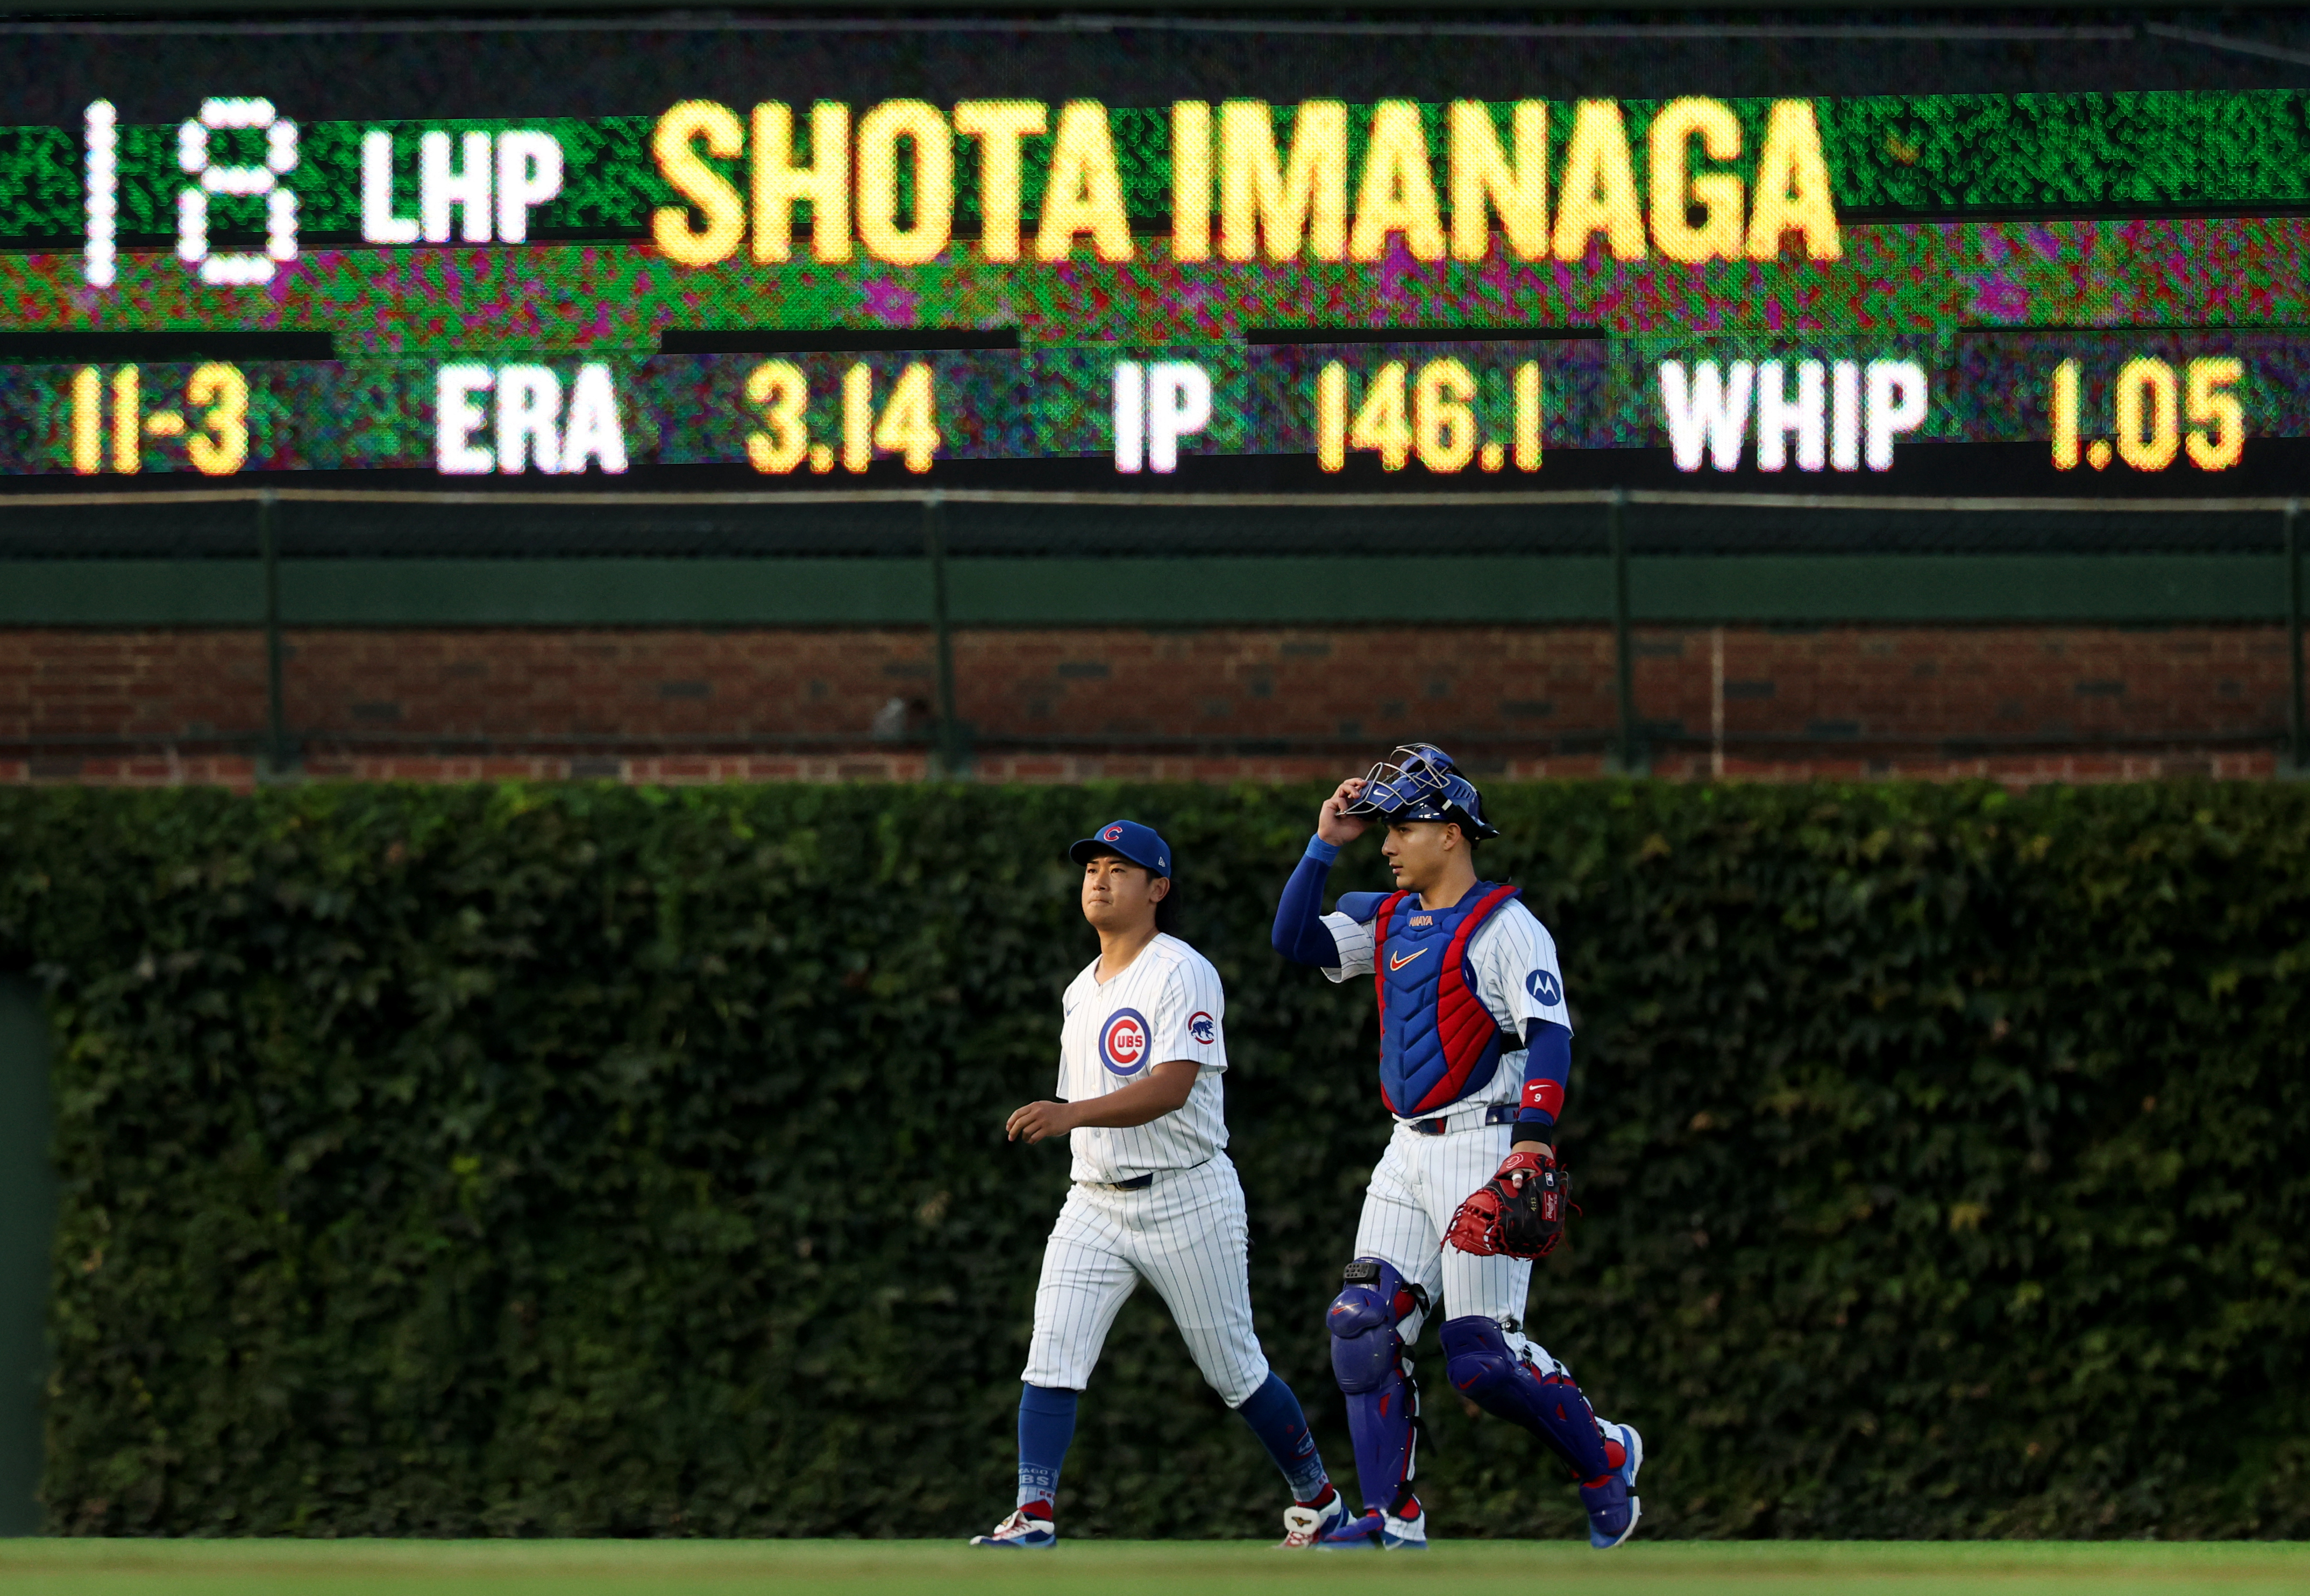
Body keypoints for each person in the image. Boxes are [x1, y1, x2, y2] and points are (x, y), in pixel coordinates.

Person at [1269, 746, 1643, 1550]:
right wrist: (1322, 844)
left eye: (1403, 826)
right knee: (1361, 1324)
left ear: (1452, 833)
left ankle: (1606, 1457)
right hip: (1407, 1151)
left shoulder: (1507, 926)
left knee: (1483, 1360)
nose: (1388, 843)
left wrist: (1533, 1148)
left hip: (1487, 1142)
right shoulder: (1388, 917)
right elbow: (1295, 942)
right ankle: (1391, 1519)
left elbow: (1552, 1036)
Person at [971, 819, 1347, 1549]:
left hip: (1187, 1193)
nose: (1100, 880)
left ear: (1158, 888)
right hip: (1094, 1200)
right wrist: (1074, 1123)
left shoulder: (1182, 970)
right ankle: (1034, 1512)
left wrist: (1070, 1113)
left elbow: (1172, 1087)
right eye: (1092, 869)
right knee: (1052, 1350)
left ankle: (1321, 1501)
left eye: (1120, 869)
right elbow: (1091, 1112)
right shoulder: (1081, 991)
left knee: (1234, 1369)